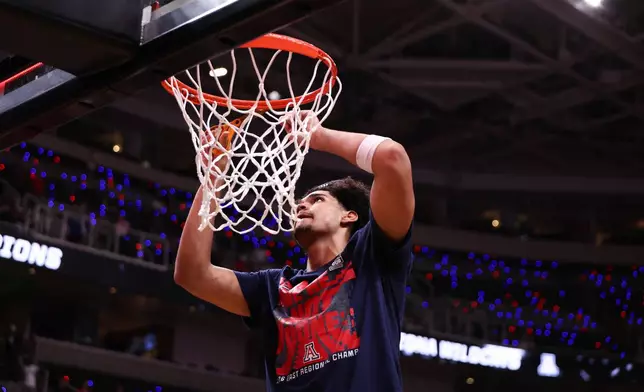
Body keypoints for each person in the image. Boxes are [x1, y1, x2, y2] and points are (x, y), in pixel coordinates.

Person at [174, 111, 415, 392]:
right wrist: (212, 179)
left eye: (317, 200)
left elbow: (392, 157)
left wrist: (320, 137)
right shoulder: (273, 288)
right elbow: (191, 274)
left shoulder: (371, 256)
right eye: (301, 201)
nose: (301, 205)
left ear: (348, 216)